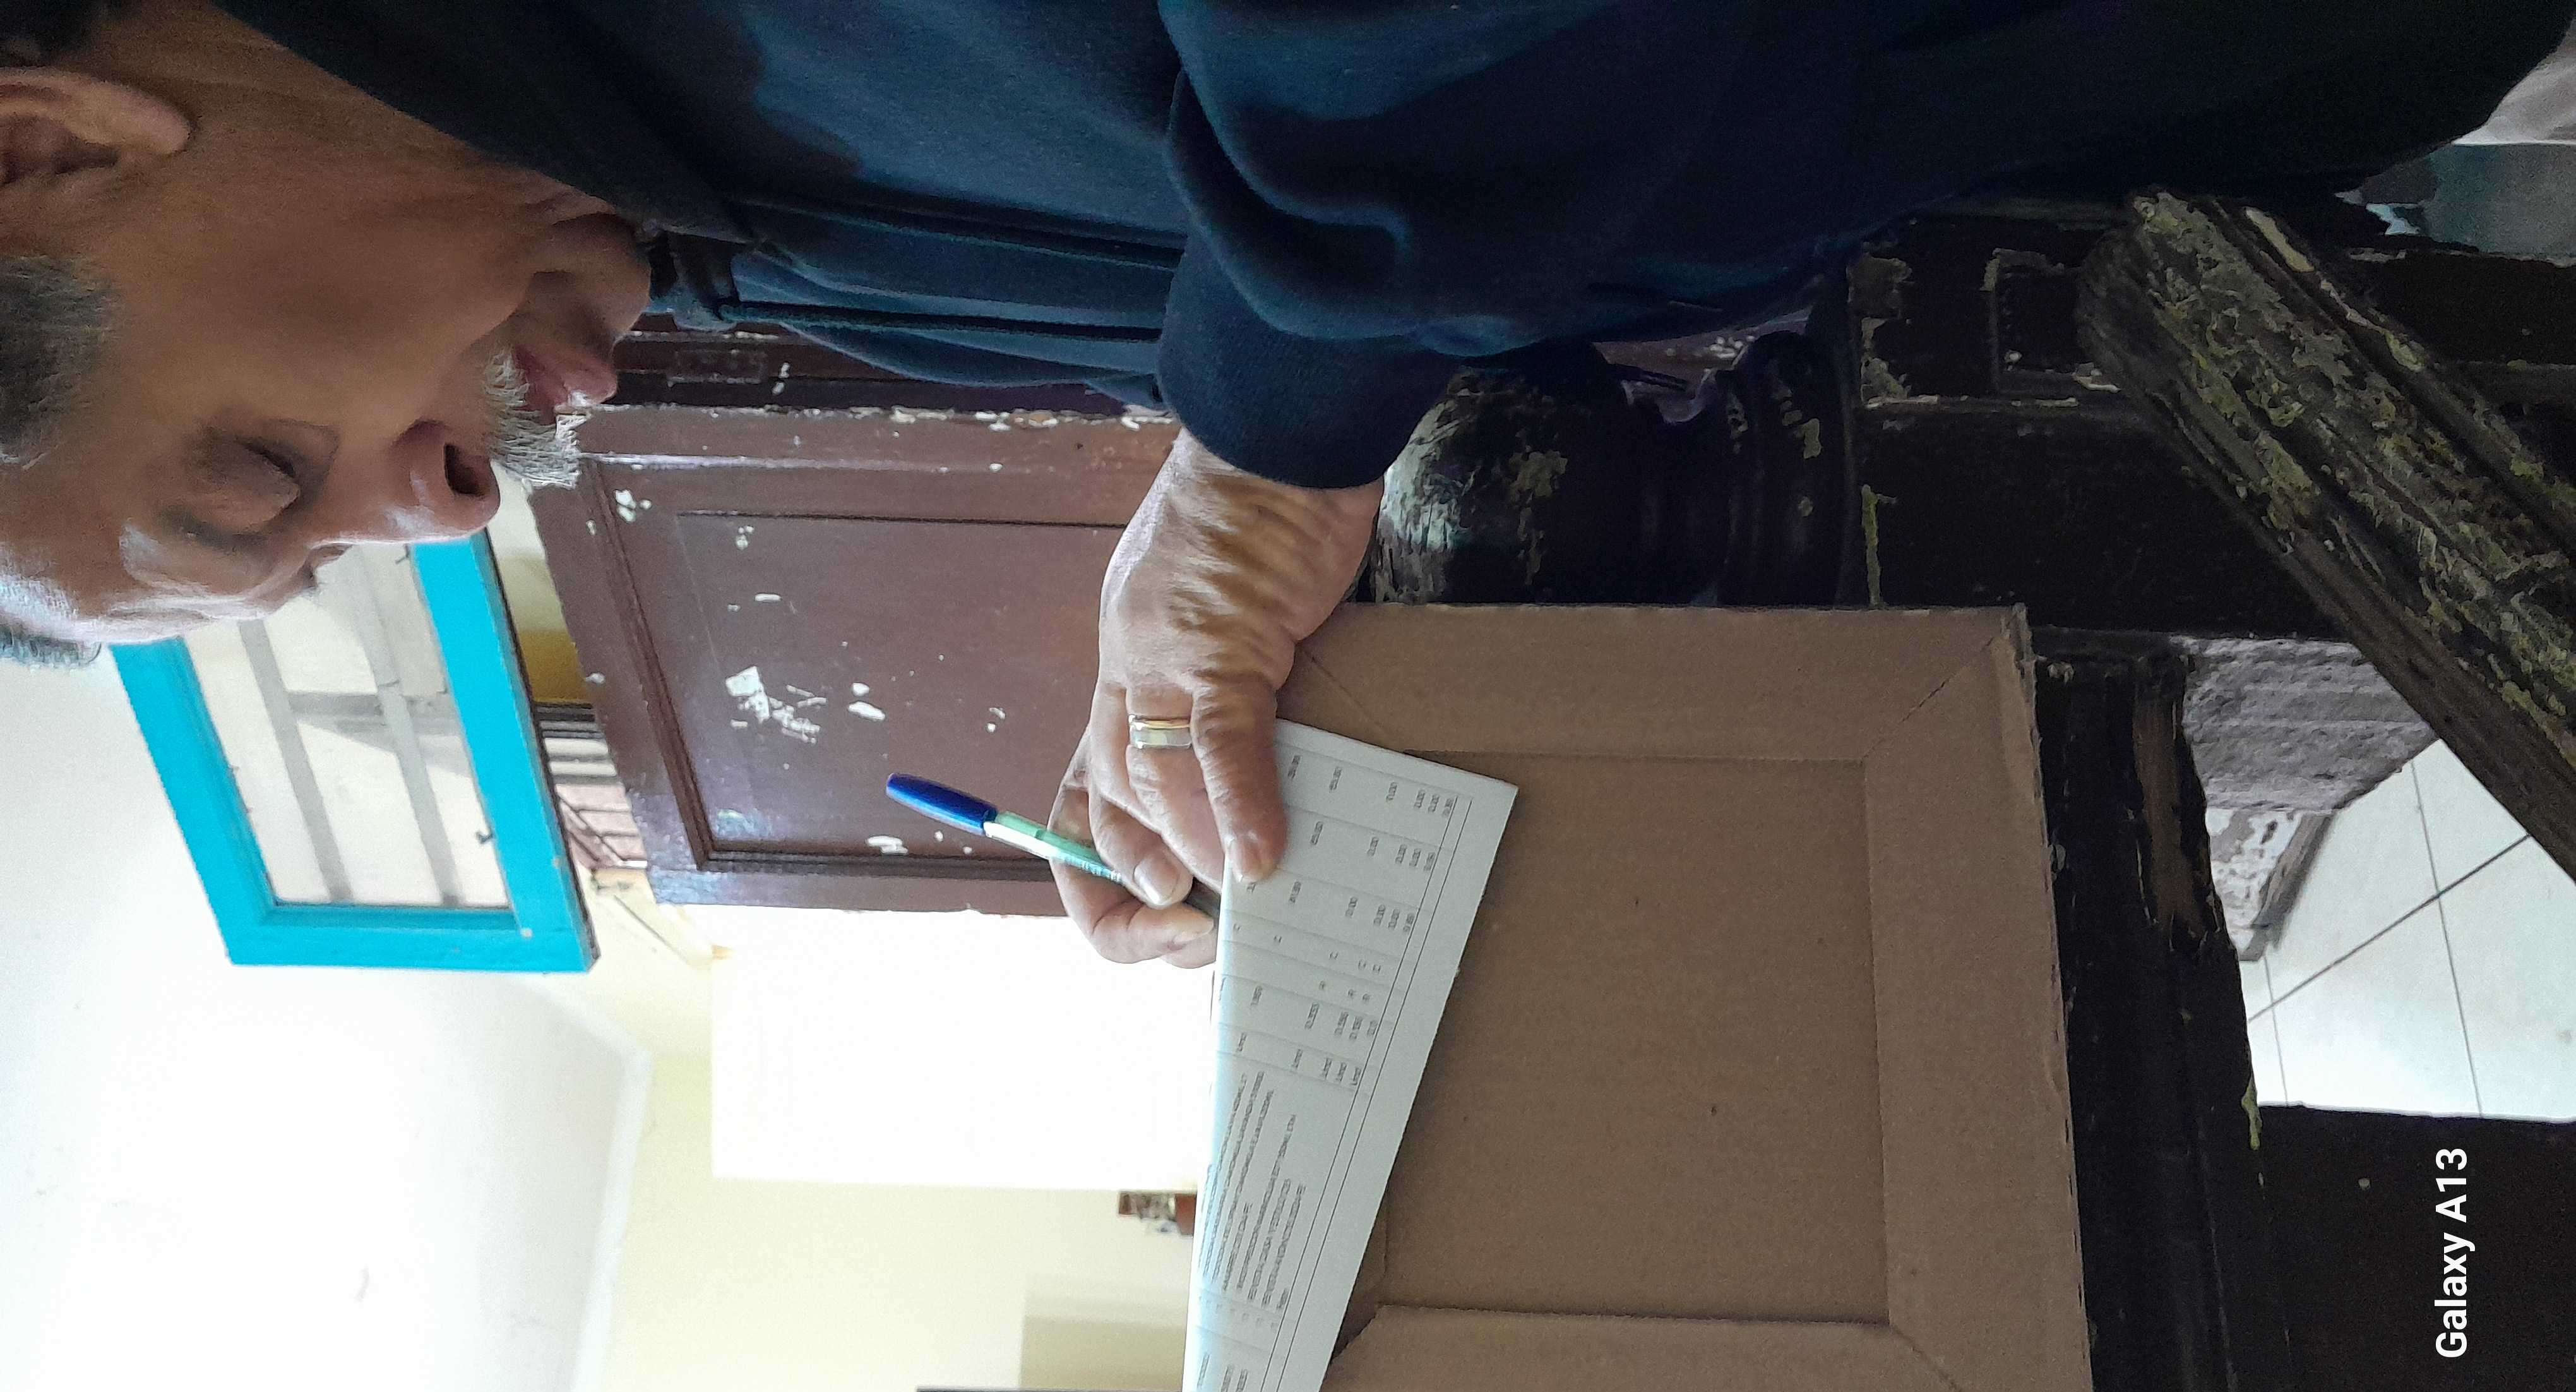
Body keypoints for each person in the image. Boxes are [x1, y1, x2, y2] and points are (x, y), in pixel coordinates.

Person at [0, 0, 2565, 967]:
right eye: (324, 552)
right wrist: (1276, 677)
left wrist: (1256, 461)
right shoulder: (735, 232)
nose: (450, 513)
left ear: (46, 150)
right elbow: (1433, 302)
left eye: (266, 470)